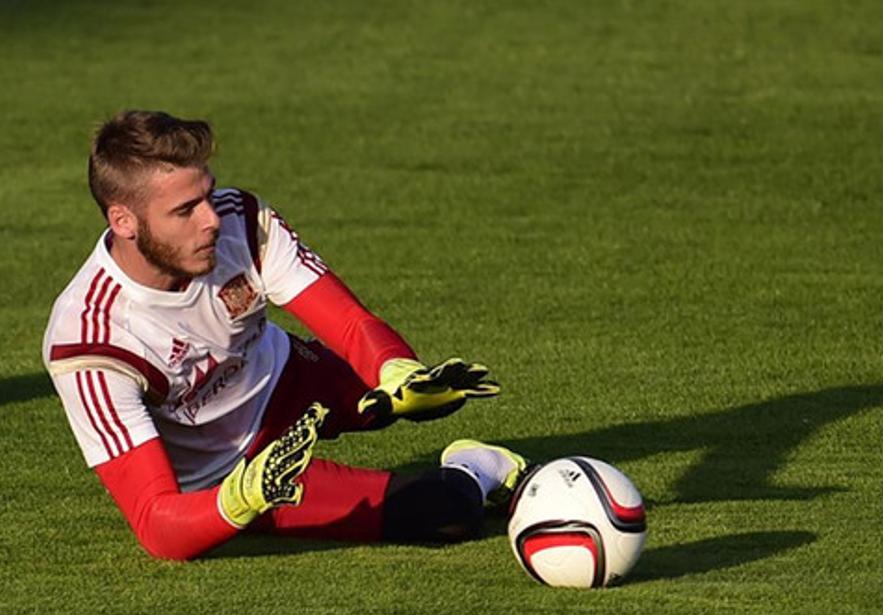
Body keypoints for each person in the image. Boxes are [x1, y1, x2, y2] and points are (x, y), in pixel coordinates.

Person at [42, 110, 527, 560]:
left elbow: (351, 323)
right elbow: (156, 523)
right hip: (231, 473)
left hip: (287, 376)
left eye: (208, 193)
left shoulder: (241, 220)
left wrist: (395, 367)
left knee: (410, 397)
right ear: (123, 221)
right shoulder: (88, 342)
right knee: (446, 514)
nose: (211, 218)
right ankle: (473, 467)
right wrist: (242, 496)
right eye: (186, 210)